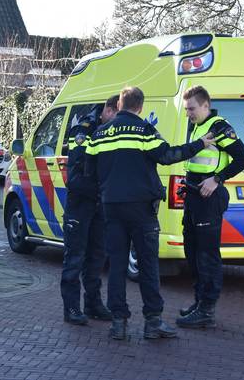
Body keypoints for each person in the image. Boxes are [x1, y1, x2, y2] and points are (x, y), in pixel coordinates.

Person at [85, 86, 214, 340]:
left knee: (117, 266)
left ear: (120, 105)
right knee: (147, 266)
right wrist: (199, 144)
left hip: (111, 207)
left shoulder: (99, 134)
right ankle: (152, 322)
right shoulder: (144, 130)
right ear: (141, 107)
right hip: (142, 209)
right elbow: (168, 156)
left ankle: (118, 324)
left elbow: (90, 171)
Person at [176, 85, 244, 329]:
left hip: (209, 198)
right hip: (194, 196)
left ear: (205, 105)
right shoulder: (198, 126)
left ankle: (207, 310)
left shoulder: (219, 127)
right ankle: (199, 303)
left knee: (207, 256)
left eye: (192, 109)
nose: (188, 113)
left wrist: (217, 178)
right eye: (187, 109)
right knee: (193, 252)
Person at [61, 95, 119, 325]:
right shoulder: (83, 129)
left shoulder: (113, 129)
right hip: (81, 204)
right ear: (108, 110)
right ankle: (72, 308)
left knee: (97, 256)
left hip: (100, 204)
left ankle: (93, 303)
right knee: (75, 257)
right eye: (116, 116)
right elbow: (75, 177)